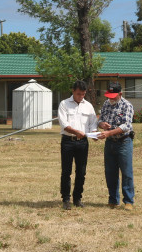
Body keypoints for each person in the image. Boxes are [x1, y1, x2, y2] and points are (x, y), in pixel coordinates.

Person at [57, 80, 97, 210]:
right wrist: (76, 132)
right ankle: (66, 199)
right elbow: (64, 124)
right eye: (79, 94)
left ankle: (77, 198)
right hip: (68, 141)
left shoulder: (88, 106)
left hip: (83, 143)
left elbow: (92, 123)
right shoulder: (64, 104)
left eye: (83, 94)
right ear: (73, 91)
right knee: (66, 171)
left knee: (81, 171)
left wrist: (94, 133)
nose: (81, 96)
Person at [97, 81, 135, 209]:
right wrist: (101, 124)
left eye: (113, 97)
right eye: (108, 96)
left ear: (120, 94)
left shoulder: (127, 106)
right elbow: (100, 119)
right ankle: (113, 200)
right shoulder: (106, 104)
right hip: (110, 143)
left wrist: (109, 132)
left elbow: (126, 126)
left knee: (126, 172)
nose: (110, 99)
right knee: (110, 172)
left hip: (124, 142)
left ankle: (128, 201)